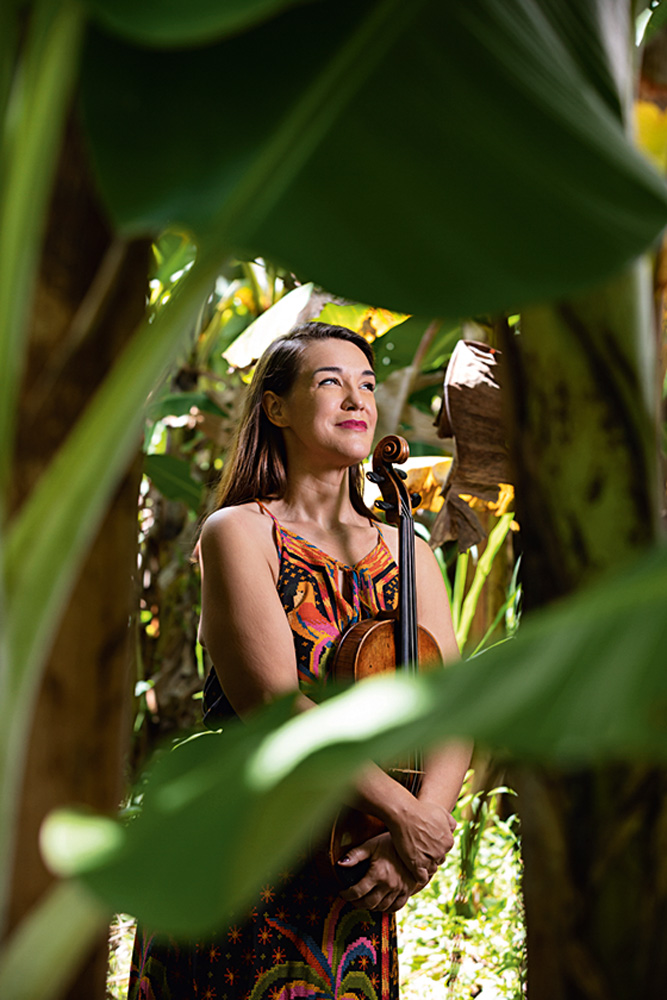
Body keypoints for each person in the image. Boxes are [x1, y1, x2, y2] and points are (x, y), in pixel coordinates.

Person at [128, 322, 470, 1000]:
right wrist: (403, 817)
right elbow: (275, 708)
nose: (357, 398)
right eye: (329, 381)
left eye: (367, 384)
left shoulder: (410, 549)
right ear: (276, 409)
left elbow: (452, 708)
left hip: (358, 863)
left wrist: (420, 834)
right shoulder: (240, 532)